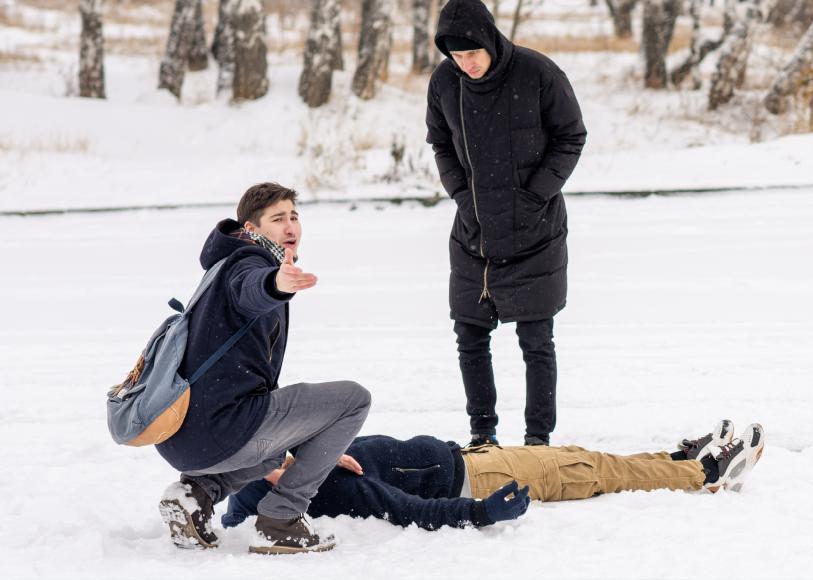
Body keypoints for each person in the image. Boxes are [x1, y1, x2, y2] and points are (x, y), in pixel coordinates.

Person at [156, 182, 374, 555]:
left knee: (274, 452)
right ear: (253, 230)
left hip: (180, 437)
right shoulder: (249, 263)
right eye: (278, 219)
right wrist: (276, 283)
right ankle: (282, 519)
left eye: (294, 216)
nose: (291, 227)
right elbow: (251, 289)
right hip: (218, 428)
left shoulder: (221, 265)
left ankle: (196, 494)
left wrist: (311, 440)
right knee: (354, 399)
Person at [425, 0, 587, 447]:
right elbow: (439, 142)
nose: (466, 64)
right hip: (473, 234)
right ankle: (482, 434)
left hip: (535, 231)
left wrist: (535, 194)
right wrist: (461, 194)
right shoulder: (444, 83)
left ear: (489, 38)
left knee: (537, 338)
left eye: (472, 53)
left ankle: (538, 439)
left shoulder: (537, 73)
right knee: (469, 335)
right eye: (456, 57)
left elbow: (571, 136)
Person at [220, 422, 767, 530]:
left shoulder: (279, 473)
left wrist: (263, 472)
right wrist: (481, 513)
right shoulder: (330, 486)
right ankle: (703, 473)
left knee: (583, 458)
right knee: (588, 470)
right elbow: (410, 512)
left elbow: (237, 507)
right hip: (477, 480)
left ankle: (672, 460)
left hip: (468, 457)